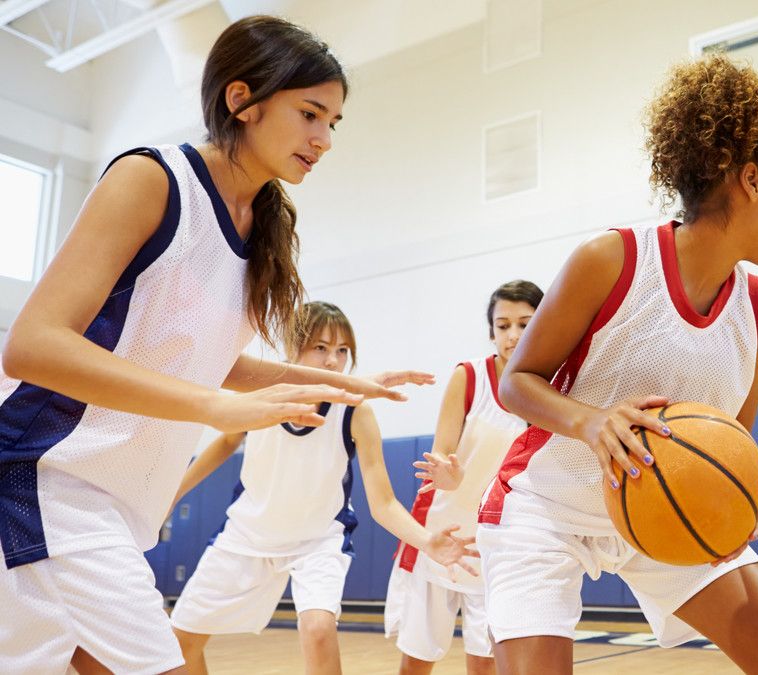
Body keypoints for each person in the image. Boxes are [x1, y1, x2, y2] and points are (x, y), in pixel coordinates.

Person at [0, 15, 420, 674]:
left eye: (333, 122)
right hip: (44, 482)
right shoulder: (152, 180)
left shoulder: (262, 230)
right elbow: (32, 346)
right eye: (311, 114)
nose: (324, 138)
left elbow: (208, 362)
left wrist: (334, 384)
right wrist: (212, 407)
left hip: (108, 506)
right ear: (241, 100)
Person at [474, 54, 758, 674]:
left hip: (662, 506)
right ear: (751, 180)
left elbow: (732, 435)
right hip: (548, 505)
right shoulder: (612, 260)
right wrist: (592, 422)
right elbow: (516, 383)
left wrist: (738, 489)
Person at [169, 301, 477, 674]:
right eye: (320, 347)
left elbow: (383, 503)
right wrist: (174, 494)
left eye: (342, 350)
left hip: (317, 541)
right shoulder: (261, 391)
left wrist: (427, 541)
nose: (333, 360)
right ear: (293, 348)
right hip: (247, 534)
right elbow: (224, 441)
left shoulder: (356, 413)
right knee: (180, 641)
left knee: (318, 628)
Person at [385, 280, 543, 675]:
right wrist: (447, 474)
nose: (513, 335)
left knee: (486, 664)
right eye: (503, 325)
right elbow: (441, 453)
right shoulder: (470, 377)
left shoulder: (550, 389)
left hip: (499, 546)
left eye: (525, 324)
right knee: (416, 663)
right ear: (491, 331)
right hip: (444, 532)